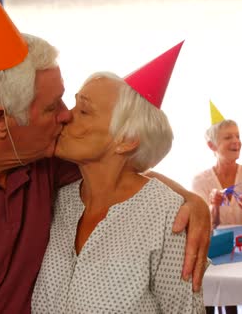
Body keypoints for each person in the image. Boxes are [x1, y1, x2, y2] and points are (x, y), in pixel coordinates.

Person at [0, 0, 210, 312]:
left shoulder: (42, 160)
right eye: (54, 106)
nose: (66, 115)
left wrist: (193, 202)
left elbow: (121, 177)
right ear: (0, 121)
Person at [32, 42, 204, 313]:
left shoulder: (166, 215)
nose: (65, 115)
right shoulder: (56, 200)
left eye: (84, 111)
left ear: (126, 140)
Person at [192, 102, 242, 230]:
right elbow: (206, 225)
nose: (236, 141)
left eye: (237, 136)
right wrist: (215, 206)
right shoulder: (200, 181)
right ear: (211, 145)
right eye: (228, 137)